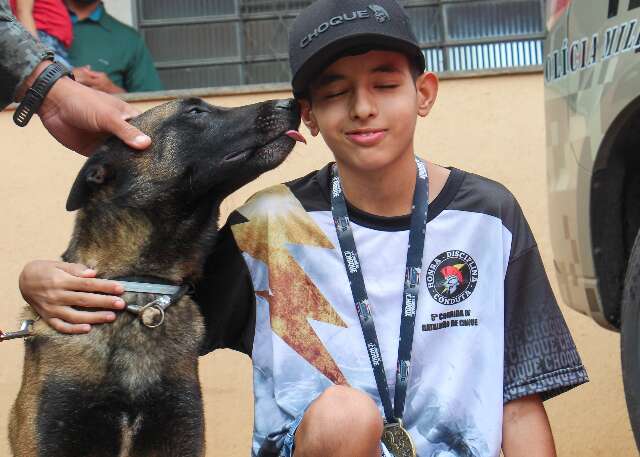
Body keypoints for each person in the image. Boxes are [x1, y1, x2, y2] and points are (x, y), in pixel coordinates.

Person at [18, 1, 589, 456]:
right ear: (309, 115)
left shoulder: (488, 215)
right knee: (347, 416)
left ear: (425, 93)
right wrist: (40, 281)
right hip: (326, 446)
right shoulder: (269, 225)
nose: (362, 107)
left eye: (385, 84)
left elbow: (518, 399)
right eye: (336, 92)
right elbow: (155, 299)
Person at [1, 0, 151, 155]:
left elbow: (151, 96)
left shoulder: (129, 38)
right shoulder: (36, 16)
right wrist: (58, 83)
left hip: (105, 145)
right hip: (35, 147)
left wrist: (109, 88)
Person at [66, 0, 163, 94]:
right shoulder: (50, 29)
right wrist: (59, 79)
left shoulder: (129, 39)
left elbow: (152, 105)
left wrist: (110, 90)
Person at [10, 0, 73, 68]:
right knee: (71, 75)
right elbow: (23, 11)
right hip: (43, 38)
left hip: (52, 43)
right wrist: (37, 52)